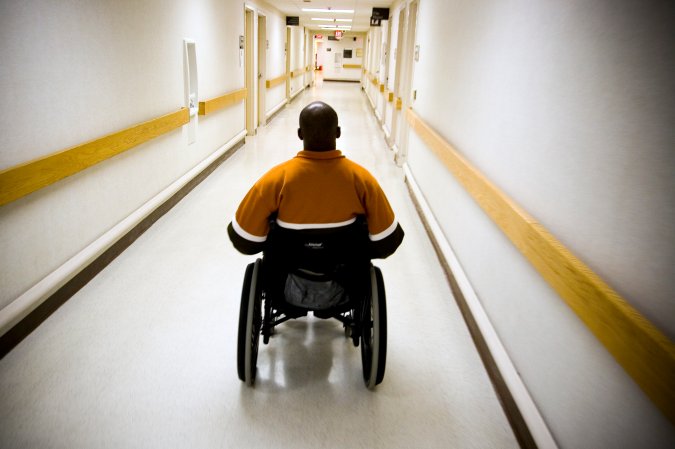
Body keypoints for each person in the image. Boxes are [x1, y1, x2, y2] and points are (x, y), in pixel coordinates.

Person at [227, 101, 404, 260]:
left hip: (286, 275)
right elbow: (387, 241)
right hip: (346, 275)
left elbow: (245, 240)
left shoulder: (274, 180)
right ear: (338, 132)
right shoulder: (362, 180)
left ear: (300, 134)